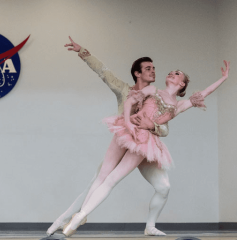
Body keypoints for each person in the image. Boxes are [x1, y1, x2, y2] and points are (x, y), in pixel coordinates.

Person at [61, 56, 230, 237]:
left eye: (177, 73)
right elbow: (129, 102)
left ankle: (82, 216)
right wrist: (128, 123)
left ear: (182, 84)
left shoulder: (179, 106)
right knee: (105, 175)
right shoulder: (152, 89)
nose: (172, 73)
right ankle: (80, 216)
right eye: (171, 72)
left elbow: (204, 93)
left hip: (145, 141)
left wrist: (224, 78)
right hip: (128, 129)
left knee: (116, 179)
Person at [46, 37, 171, 237]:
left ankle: (150, 226)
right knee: (97, 183)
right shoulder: (124, 89)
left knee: (164, 187)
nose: (153, 71)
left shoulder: (158, 97)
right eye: (148, 68)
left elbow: (165, 129)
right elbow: (103, 72)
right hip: (124, 145)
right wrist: (83, 52)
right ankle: (62, 220)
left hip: (145, 148)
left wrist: (152, 125)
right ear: (137, 73)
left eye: (154, 67)